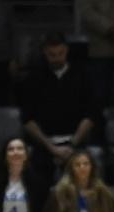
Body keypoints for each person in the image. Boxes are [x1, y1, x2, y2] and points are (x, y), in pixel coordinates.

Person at [20, 34, 98, 188]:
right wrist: (51, 148)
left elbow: (91, 115)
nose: (56, 58)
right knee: (36, 185)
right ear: (44, 53)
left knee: (81, 187)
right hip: (44, 145)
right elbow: (27, 119)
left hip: (75, 143)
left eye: (60, 54)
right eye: (52, 55)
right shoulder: (33, 78)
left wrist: (72, 145)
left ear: (67, 51)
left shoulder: (83, 75)